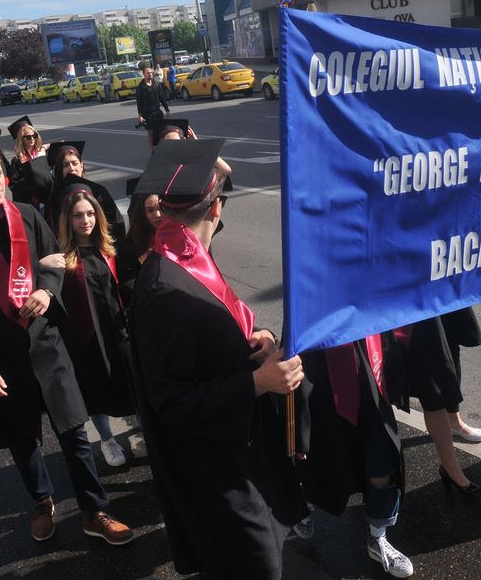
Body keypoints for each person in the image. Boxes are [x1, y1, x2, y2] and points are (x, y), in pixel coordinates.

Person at [0, 131, 134, 545]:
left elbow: (53, 262)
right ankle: (42, 501)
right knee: (22, 438)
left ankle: (94, 510)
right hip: (0, 354)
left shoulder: (25, 214)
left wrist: (46, 290)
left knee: (74, 430)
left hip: (46, 343)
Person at [128, 139, 307, 578]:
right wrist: (258, 383)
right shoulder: (165, 288)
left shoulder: (187, 253)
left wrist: (257, 338)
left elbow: (214, 328)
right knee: (254, 565)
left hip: (240, 440)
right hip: (213, 465)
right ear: (216, 208)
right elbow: (171, 401)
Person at [297, 332, 414, 578]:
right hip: (318, 358)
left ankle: (378, 536)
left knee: (381, 455)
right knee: (315, 449)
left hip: (366, 356)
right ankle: (301, 504)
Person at [54, 176, 135, 469]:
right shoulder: (61, 258)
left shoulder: (110, 249)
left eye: (90, 214)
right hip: (85, 338)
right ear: (68, 219)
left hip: (117, 332)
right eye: (78, 215)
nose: (85, 220)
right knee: (95, 391)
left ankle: (146, 429)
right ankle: (107, 439)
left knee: (131, 383)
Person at [399, 310, 481, 494]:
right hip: (413, 304)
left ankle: (453, 420)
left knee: (450, 344)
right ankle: (451, 468)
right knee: (432, 373)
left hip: (437, 294)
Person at [45, 140, 124, 243]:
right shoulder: (54, 197)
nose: (72, 168)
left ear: (81, 166)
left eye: (75, 163)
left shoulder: (99, 192)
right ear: (59, 169)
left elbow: (116, 224)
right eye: (65, 165)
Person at [116, 177, 162, 306]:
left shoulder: (176, 237)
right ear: (142, 214)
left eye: (161, 208)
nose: (158, 214)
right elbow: (128, 286)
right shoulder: (128, 247)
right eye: (150, 210)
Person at [7, 116, 52, 209]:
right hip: (29, 201)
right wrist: (30, 178)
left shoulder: (43, 154)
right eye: (28, 137)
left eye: (34, 136)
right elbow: (14, 185)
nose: (32, 139)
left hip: (46, 197)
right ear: (21, 139)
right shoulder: (17, 160)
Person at [136, 66, 170, 149]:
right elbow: (139, 103)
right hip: (147, 114)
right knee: (151, 133)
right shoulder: (141, 87)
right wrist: (140, 115)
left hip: (157, 112)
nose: (150, 74)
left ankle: (163, 148)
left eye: (151, 72)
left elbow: (162, 98)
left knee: (163, 130)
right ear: (144, 74)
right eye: (148, 73)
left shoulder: (156, 84)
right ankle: (153, 151)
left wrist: (167, 110)